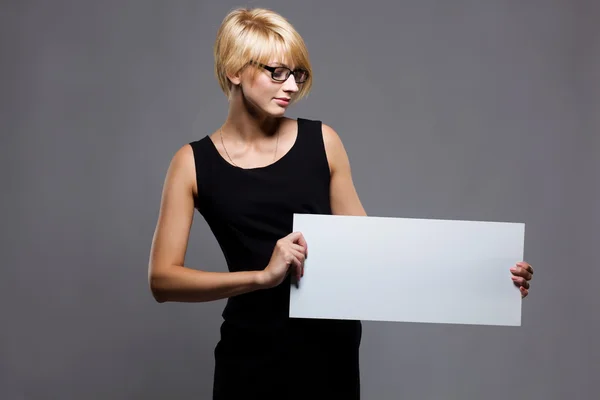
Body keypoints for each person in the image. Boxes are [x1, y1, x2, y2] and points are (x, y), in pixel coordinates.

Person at [147, 7, 534, 399]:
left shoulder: (323, 142)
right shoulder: (192, 163)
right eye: (276, 72)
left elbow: (375, 253)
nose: (291, 86)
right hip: (249, 356)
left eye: (297, 74)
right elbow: (163, 280)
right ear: (234, 70)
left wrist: (487, 279)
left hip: (330, 353)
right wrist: (261, 277)